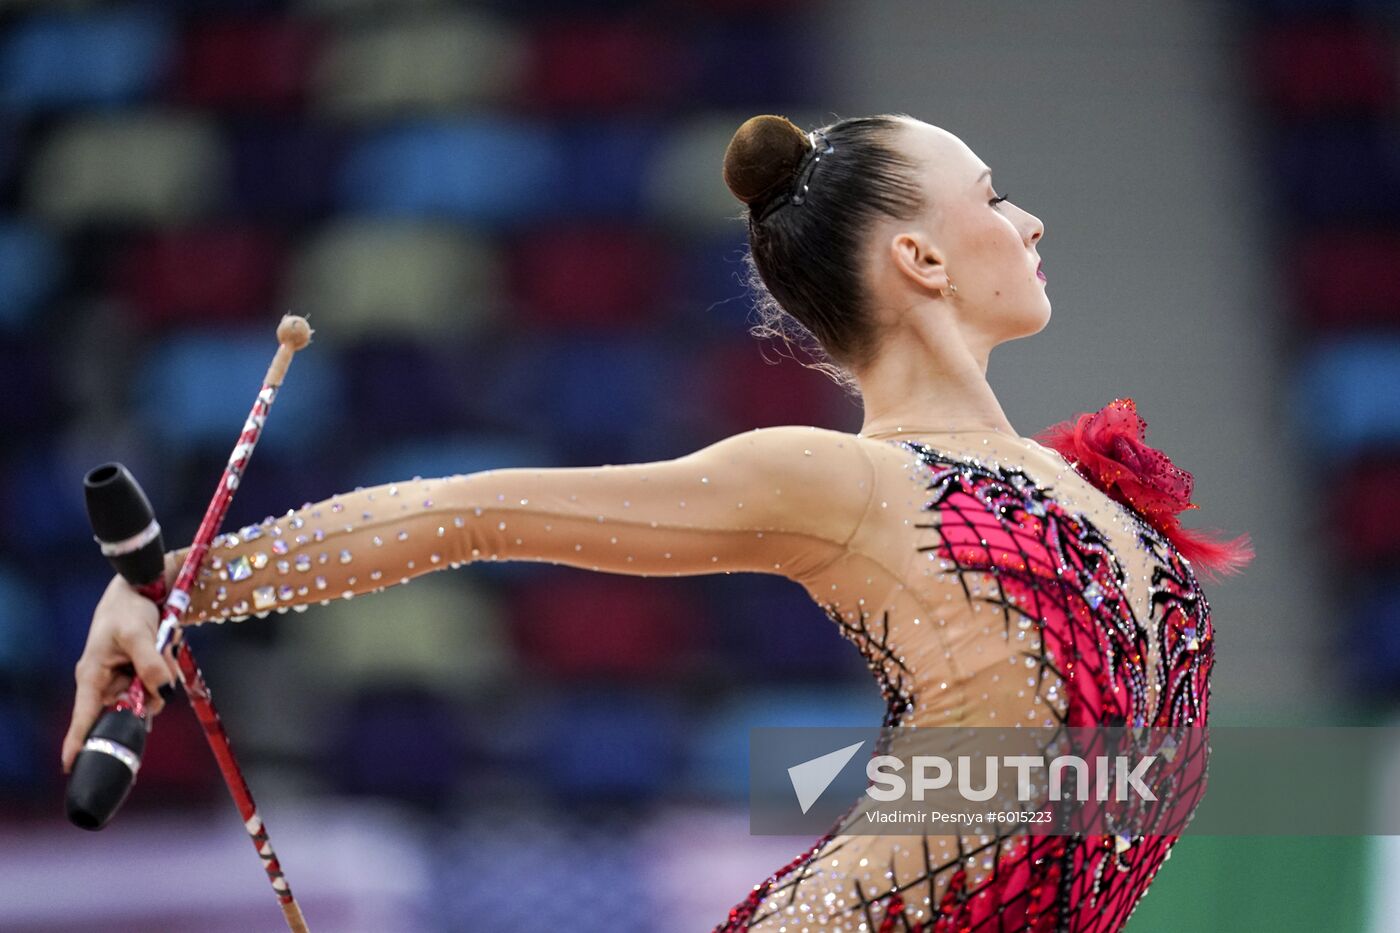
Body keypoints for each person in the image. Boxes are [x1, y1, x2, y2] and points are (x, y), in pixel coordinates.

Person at [64, 113, 1252, 931]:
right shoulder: (849, 486)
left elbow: (1079, 788)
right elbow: (476, 511)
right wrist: (187, 586)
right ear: (918, 256)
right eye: (993, 196)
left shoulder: (1095, 497)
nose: (1029, 221)